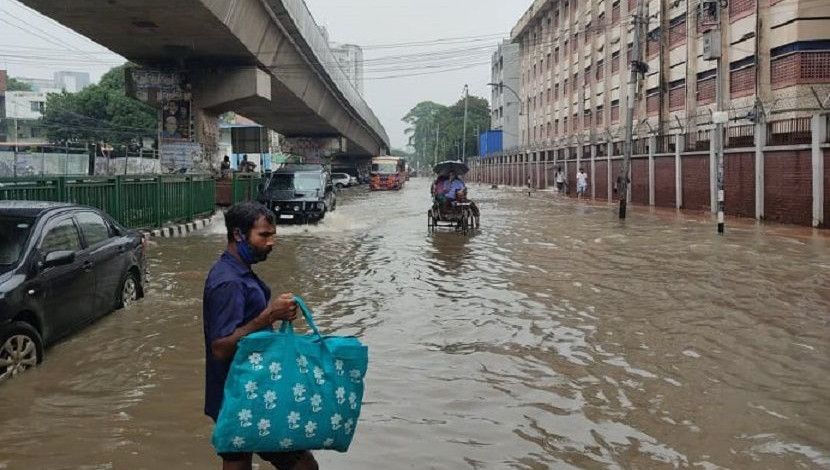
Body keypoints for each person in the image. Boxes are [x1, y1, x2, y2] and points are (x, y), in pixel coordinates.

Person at [202, 202, 319, 470]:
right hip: (240, 393)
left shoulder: (238, 272)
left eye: (273, 234)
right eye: (264, 235)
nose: (271, 242)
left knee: (239, 460)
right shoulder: (228, 282)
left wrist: (274, 315)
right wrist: (269, 316)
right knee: (302, 464)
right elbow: (220, 348)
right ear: (238, 235)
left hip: (249, 388)